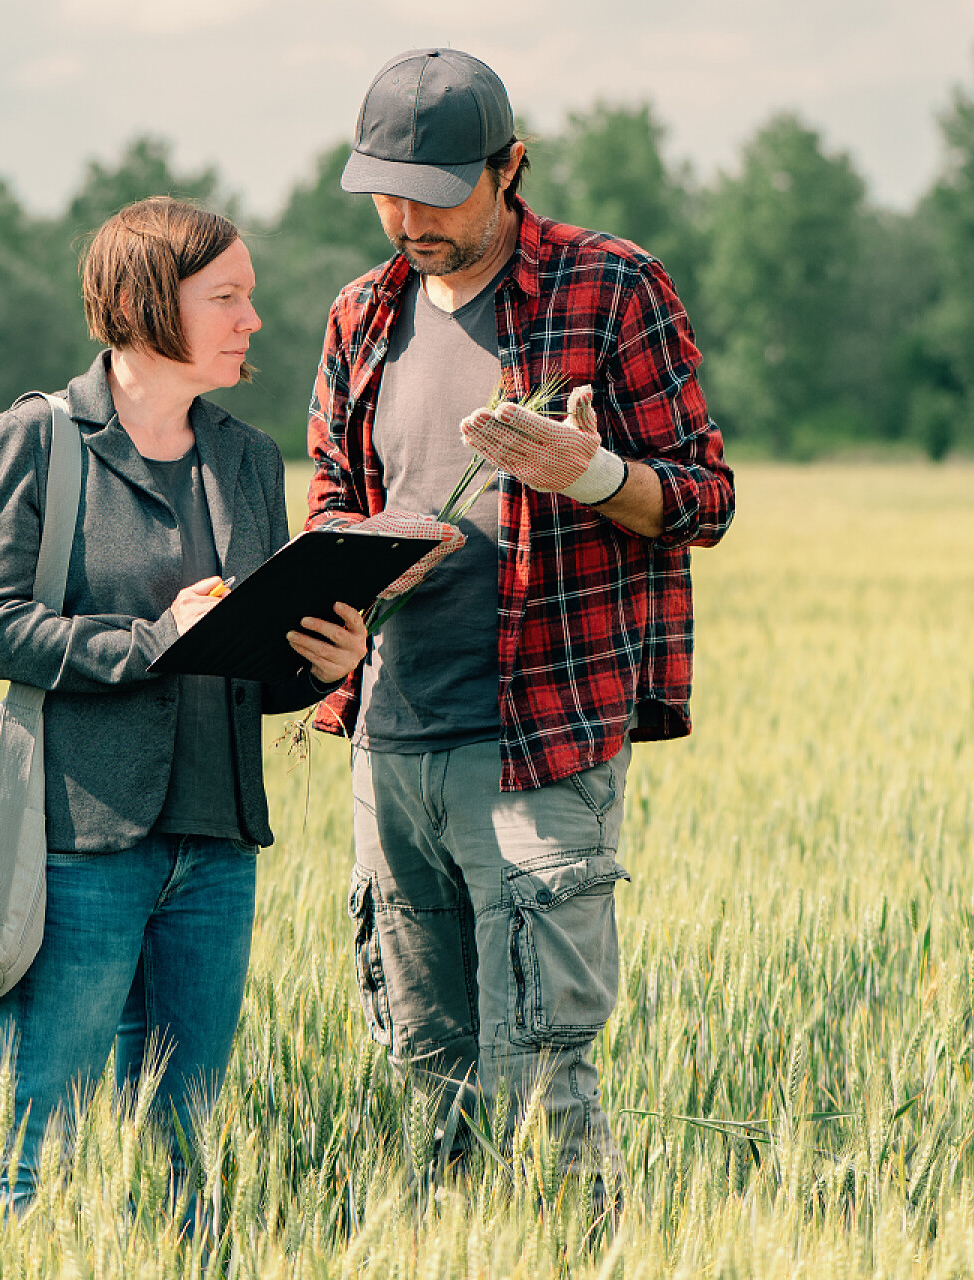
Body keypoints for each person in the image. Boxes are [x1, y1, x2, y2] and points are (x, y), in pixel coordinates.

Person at [304, 49, 736, 1201]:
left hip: (540, 739)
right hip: (391, 739)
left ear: (510, 168)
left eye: (439, 191)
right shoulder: (361, 314)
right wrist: (356, 588)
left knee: (545, 1071)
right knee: (427, 1061)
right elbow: (332, 509)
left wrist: (594, 476)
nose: (410, 218)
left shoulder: (612, 289)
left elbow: (704, 497)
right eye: (387, 191)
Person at [0, 196, 369, 1217]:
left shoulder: (246, 455)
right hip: (79, 843)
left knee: (191, 1147)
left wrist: (326, 661)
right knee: (29, 1141)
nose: (251, 320)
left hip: (216, 844)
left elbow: (248, 661)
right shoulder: (42, 436)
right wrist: (147, 641)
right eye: (226, 297)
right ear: (145, 304)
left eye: (250, 298)